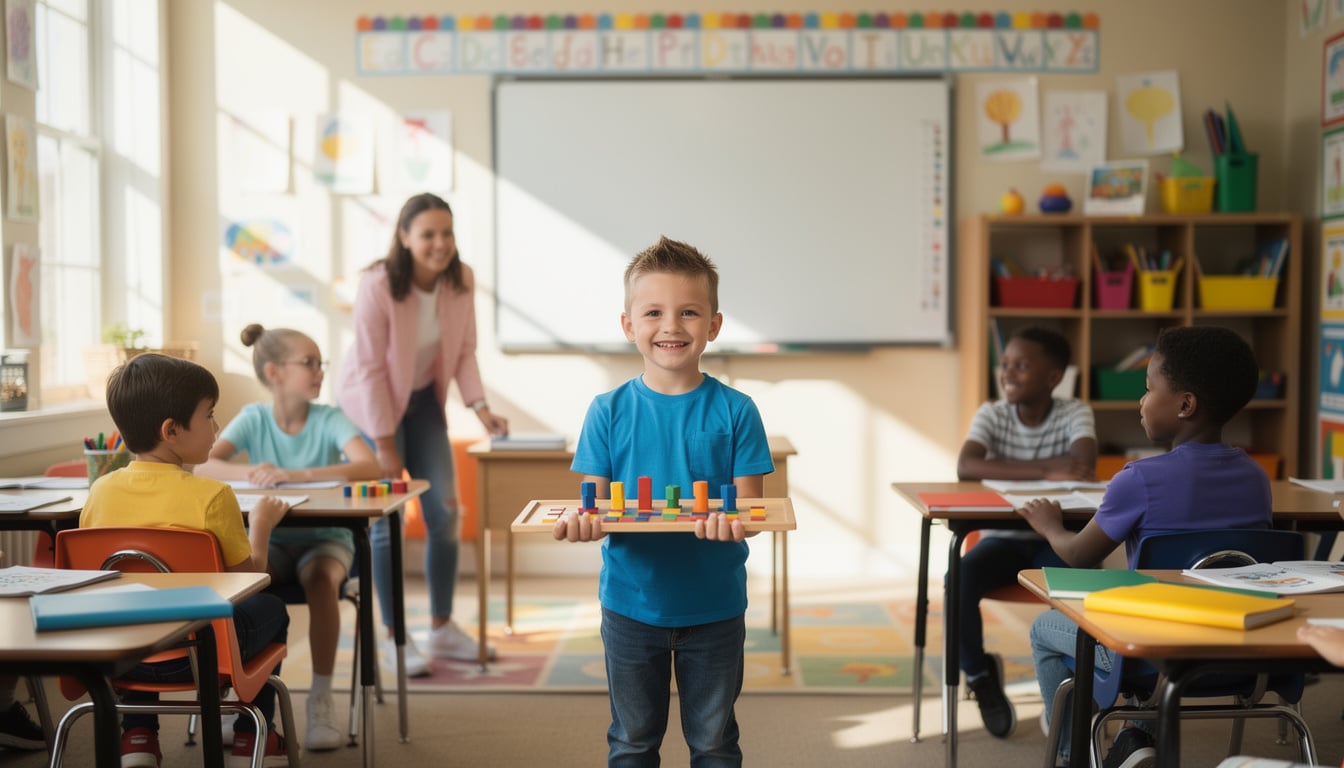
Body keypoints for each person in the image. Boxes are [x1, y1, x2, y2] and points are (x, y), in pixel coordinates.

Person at [553, 236, 775, 765]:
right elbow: (594, 505)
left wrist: (734, 521)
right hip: (630, 605)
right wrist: (584, 523)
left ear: (713, 326)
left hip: (715, 607)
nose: (671, 326)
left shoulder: (738, 411)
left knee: (715, 743)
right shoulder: (606, 411)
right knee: (632, 742)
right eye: (653, 312)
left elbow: (752, 511)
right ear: (629, 325)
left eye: (688, 312)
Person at [1017, 325, 1271, 768]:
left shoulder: (1139, 479)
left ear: (1185, 405)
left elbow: (1079, 555)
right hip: (1239, 651)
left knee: (1045, 629)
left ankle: (1074, 752)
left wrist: (1049, 525)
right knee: (1168, 607)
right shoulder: (1256, 479)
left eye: (1149, 389)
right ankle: (1134, 738)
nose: (1141, 400)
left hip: (1148, 655)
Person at [80, 353, 293, 768]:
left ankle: (138, 736)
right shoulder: (212, 497)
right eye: (209, 415)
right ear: (171, 431)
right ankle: (252, 737)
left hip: (122, 653)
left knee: (137, 606)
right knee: (274, 608)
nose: (216, 427)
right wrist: (262, 525)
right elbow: (249, 582)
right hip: (202, 653)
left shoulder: (100, 492)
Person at [337, 192, 509, 676]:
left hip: (424, 403)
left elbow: (465, 351)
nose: (439, 243)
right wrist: (383, 443)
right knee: (386, 521)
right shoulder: (378, 285)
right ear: (404, 237)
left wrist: (481, 409)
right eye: (428, 234)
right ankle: (395, 637)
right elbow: (370, 368)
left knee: (445, 513)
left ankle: (441, 627)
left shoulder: (461, 279)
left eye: (446, 233)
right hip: (372, 408)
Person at [196, 324, 380, 751]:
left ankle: (321, 697)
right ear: (274, 372)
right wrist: (255, 471)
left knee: (321, 580)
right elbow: (204, 465)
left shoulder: (329, 417)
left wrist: (295, 475)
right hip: (273, 540)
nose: (319, 371)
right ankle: (239, 700)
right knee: (246, 585)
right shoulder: (254, 417)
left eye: (321, 363)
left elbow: (369, 466)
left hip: (326, 540)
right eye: (309, 362)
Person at [954, 326, 1096, 738]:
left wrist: (1014, 469)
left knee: (1083, 586)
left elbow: (1083, 465)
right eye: (1006, 364)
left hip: (1059, 538)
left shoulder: (1075, 412)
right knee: (958, 577)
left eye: (1021, 365)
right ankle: (980, 676)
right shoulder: (992, 413)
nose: (1008, 373)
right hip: (1004, 542)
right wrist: (1048, 469)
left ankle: (1070, 685)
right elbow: (966, 466)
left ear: (1053, 377)